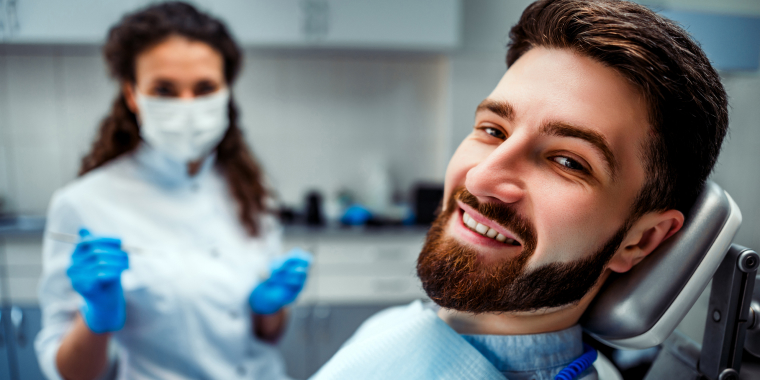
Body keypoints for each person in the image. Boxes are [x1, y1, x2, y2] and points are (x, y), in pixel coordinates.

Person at [311, 0, 728, 379]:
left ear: (640, 241)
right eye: (493, 130)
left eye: (568, 161)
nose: (480, 178)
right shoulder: (397, 327)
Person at [35, 3, 310, 380]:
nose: (187, 108)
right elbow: (68, 373)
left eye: (204, 88)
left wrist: (269, 309)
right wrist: (96, 319)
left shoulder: (250, 188)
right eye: (164, 90)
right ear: (132, 95)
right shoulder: (83, 204)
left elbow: (268, 336)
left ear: (226, 92)